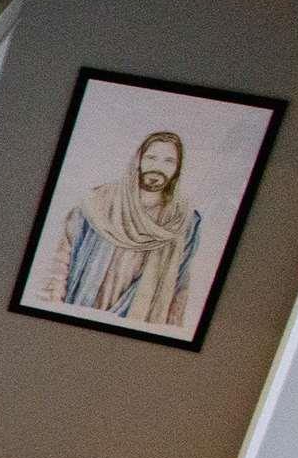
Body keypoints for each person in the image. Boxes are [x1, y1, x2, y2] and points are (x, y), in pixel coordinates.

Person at [33, 129, 202, 327]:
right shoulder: (98, 202)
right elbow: (60, 260)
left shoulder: (184, 221)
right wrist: (50, 312)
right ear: (138, 160)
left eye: (169, 161)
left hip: (135, 326)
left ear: (177, 169)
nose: (158, 166)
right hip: (79, 314)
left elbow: (180, 287)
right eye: (151, 158)